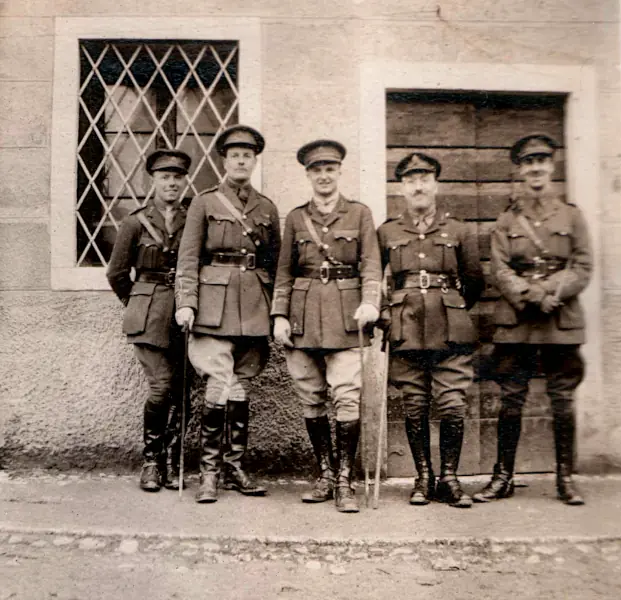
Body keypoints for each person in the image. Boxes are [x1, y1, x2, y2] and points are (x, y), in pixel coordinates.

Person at [473, 134, 592, 506]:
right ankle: (503, 476)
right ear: (520, 170)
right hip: (518, 320)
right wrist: (532, 295)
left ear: (552, 166)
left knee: (562, 399)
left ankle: (565, 478)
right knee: (511, 398)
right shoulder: (507, 220)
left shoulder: (572, 215)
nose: (536, 167)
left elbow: (583, 264)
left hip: (561, 317)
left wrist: (554, 290)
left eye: (542, 160)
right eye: (528, 162)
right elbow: (499, 267)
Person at [271, 140, 382, 513]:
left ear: (338, 172)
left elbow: (371, 265)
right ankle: (324, 474)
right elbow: (284, 272)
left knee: (347, 395)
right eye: (316, 170)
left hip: (347, 318)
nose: (323, 176)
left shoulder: (360, 214)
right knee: (310, 395)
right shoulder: (295, 218)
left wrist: (370, 302)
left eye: (329, 169)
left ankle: (345, 480)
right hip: (302, 318)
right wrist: (279, 316)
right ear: (308, 175)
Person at [175, 125, 281, 503]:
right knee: (218, 383)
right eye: (234, 154)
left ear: (254, 161)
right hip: (213, 305)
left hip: (253, 305)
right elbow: (188, 256)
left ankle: (234, 466)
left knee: (241, 384)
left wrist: (275, 307)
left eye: (247, 155)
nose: (241, 160)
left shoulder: (266, 207)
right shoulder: (204, 202)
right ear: (224, 159)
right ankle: (209, 472)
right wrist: (186, 301)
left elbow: (274, 262)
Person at [377, 152, 484, 508]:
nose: (418, 185)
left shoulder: (460, 230)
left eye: (424, 178)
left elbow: (473, 282)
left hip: (450, 330)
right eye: (410, 180)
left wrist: (450, 308)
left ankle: (450, 478)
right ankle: (423, 478)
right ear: (402, 188)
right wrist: (386, 316)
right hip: (406, 329)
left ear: (435, 184)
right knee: (414, 405)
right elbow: (373, 281)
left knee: (452, 404)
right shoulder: (387, 231)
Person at [107, 148, 192, 492]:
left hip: (186, 314)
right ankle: (152, 461)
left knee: (185, 389)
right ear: (153, 181)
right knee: (161, 386)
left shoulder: (193, 219)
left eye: (177, 178)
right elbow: (116, 273)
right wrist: (137, 301)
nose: (171, 183)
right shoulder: (134, 221)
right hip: (148, 316)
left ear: (184, 182)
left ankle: (173, 460)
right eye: (164, 177)